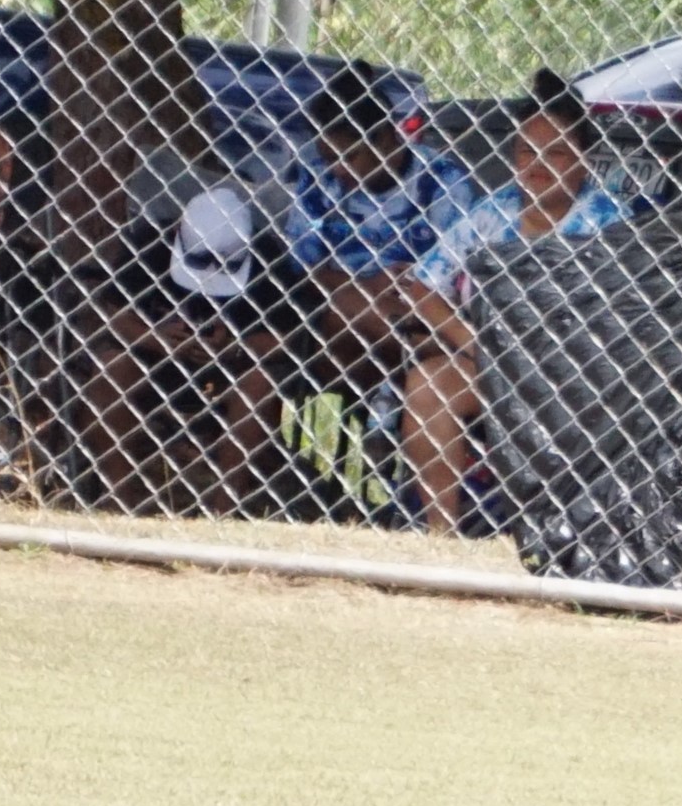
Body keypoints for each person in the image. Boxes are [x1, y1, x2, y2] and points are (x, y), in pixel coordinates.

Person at [399, 68, 630, 533]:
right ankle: (441, 533)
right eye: (528, 151)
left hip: (574, 375)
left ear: (584, 161)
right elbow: (422, 285)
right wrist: (469, 337)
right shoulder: (492, 212)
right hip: (495, 365)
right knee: (428, 386)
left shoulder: (610, 222)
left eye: (557, 153)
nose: (539, 165)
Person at [83, 179, 288, 512]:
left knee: (259, 384)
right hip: (154, 359)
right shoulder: (150, 243)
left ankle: (224, 508)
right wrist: (158, 339)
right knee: (110, 367)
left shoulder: (268, 257)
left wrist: (235, 346)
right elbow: (113, 313)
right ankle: (117, 497)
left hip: (232, 367)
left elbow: (288, 334)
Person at [281, 61, 475, 375]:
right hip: (340, 324)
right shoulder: (318, 180)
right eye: (329, 158)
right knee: (349, 308)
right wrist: (370, 285)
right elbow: (301, 274)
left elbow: (461, 276)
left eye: (349, 156)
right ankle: (467, 361)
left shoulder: (441, 181)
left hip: (425, 312)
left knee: (367, 312)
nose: (337, 170)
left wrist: (414, 286)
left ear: (384, 139)